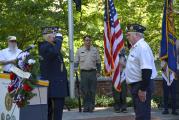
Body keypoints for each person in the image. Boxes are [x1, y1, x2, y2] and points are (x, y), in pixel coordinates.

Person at [125, 24, 157, 120]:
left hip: (142, 85)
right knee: (140, 114)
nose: (127, 36)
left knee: (142, 115)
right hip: (137, 85)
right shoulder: (135, 47)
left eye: (129, 34)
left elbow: (147, 70)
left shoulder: (142, 47)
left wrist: (143, 89)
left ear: (137, 35)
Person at [39, 27, 68, 120]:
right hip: (54, 85)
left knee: (58, 110)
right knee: (54, 111)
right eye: (53, 35)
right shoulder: (44, 47)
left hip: (58, 84)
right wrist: (59, 39)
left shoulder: (51, 46)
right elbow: (54, 52)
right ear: (48, 36)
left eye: (55, 35)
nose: (55, 37)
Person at [74, 35, 101, 112]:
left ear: (91, 41)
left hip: (93, 72)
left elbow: (98, 62)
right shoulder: (79, 50)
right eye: (86, 40)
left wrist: (98, 71)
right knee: (85, 90)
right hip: (84, 73)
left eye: (89, 40)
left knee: (92, 90)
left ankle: (91, 106)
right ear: (84, 41)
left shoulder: (95, 50)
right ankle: (86, 106)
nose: (88, 42)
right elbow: (76, 61)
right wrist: (75, 69)